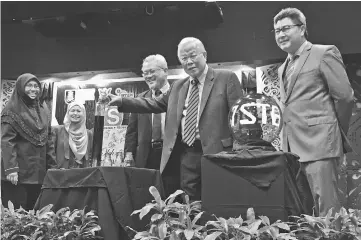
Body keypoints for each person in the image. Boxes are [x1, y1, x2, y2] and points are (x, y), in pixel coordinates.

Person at [109, 37, 244, 200]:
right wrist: (122, 101)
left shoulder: (226, 78)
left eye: (193, 55)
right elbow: (152, 104)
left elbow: (239, 118)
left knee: (218, 199)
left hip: (219, 153)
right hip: (188, 155)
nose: (189, 62)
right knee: (190, 202)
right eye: (184, 58)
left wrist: (240, 153)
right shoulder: (179, 87)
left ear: (205, 55)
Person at [273, 8, 354, 216]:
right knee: (304, 213)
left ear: (302, 29)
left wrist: (335, 134)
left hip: (321, 146)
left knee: (329, 212)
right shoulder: (283, 67)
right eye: (276, 31)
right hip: (293, 150)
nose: (280, 34)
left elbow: (344, 97)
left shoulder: (324, 53)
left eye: (285, 28)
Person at [1, 73, 57, 210]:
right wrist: (11, 169)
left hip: (38, 172)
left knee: (36, 211)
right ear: (20, 88)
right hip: (17, 174)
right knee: (16, 213)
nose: (33, 89)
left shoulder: (44, 110)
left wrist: (52, 166)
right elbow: (7, 141)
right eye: (29, 86)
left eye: (36, 86)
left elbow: (48, 140)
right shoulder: (11, 110)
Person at [123, 54, 170, 169]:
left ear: (165, 71)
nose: (148, 76)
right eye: (145, 73)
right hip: (145, 157)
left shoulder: (178, 95)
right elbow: (132, 131)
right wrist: (129, 154)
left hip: (171, 156)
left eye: (151, 71)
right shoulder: (139, 99)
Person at [52, 101, 93, 168]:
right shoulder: (57, 131)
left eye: (79, 111)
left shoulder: (88, 134)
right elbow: (51, 154)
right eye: (72, 110)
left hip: (83, 175)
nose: (75, 113)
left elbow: (91, 155)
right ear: (68, 113)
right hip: (61, 174)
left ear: (84, 114)